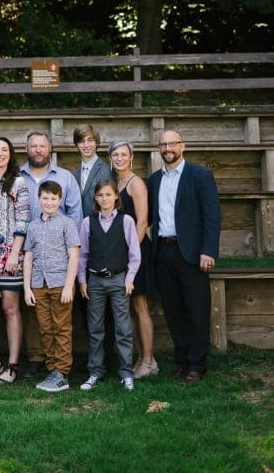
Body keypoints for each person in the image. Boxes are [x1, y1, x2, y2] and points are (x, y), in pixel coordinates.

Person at [148, 130, 221, 384]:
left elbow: (212, 215)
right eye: (163, 144)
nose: (167, 148)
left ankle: (197, 364)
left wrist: (208, 250)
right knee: (173, 310)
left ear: (183, 146)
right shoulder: (154, 180)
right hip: (163, 251)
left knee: (196, 309)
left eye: (172, 143)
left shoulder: (200, 175)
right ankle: (182, 361)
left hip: (191, 252)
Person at [19, 130, 82, 377]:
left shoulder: (65, 178)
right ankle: (43, 362)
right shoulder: (18, 177)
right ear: (27, 149)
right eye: (33, 145)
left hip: (60, 266)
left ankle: (61, 369)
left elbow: (75, 216)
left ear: (50, 148)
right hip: (34, 267)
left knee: (61, 324)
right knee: (40, 322)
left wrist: (69, 280)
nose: (38, 150)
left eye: (42, 145)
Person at [77, 179, 141, 391]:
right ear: (95, 198)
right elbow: (83, 255)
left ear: (116, 197)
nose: (104, 198)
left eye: (108, 194)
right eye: (100, 195)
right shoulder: (88, 222)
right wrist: (82, 280)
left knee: (123, 328)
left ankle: (126, 373)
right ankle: (95, 371)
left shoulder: (126, 221)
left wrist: (130, 279)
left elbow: (134, 254)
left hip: (119, 280)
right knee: (95, 328)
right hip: (95, 281)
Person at [0, 136, 31, 384]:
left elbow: (23, 220)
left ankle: (12, 365)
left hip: (9, 253)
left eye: (4, 150)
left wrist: (14, 253)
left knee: (10, 308)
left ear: (10, 154)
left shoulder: (18, 182)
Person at [23, 180, 81, 392]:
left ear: (60, 200)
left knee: (61, 328)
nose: (49, 202)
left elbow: (74, 256)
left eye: (54, 198)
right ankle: (52, 369)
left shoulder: (67, 224)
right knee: (46, 329)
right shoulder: (33, 226)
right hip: (39, 284)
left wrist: (68, 286)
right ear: (39, 199)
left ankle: (62, 372)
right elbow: (28, 257)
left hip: (60, 284)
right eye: (45, 198)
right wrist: (27, 288)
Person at [109, 138, 158, 378]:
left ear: (131, 157)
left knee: (140, 306)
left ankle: (149, 361)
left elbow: (142, 222)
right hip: (121, 254)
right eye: (115, 155)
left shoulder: (135, 183)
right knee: (128, 307)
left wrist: (130, 255)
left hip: (136, 252)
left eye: (123, 154)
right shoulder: (115, 182)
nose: (119, 158)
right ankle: (141, 357)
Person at [73, 125, 112, 219]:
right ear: (77, 144)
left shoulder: (106, 170)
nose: (86, 145)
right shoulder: (75, 174)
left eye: (90, 140)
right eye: (81, 141)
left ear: (96, 143)